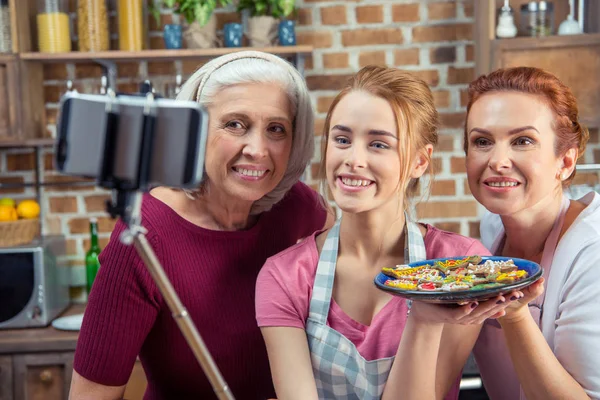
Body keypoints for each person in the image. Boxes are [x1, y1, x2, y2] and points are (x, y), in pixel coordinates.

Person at [69, 51, 332, 400]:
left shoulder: (300, 209)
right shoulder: (144, 235)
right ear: (194, 131)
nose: (257, 149)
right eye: (235, 124)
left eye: (276, 129)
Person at [255, 66, 516, 400]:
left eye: (378, 144)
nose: (353, 159)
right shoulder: (285, 276)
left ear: (419, 162)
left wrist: (424, 318)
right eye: (342, 139)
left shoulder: (462, 265)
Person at [465, 67, 600, 399]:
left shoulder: (592, 251)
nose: (497, 160)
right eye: (482, 141)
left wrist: (514, 315)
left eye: (522, 141)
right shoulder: (493, 228)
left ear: (565, 162)